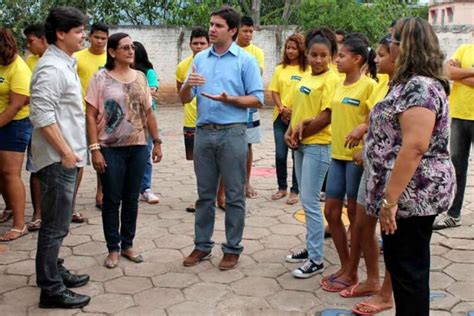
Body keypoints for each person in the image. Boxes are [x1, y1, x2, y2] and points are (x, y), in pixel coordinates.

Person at [364, 17, 455, 316]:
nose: (387, 45)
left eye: (392, 39)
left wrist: (390, 202)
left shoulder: (420, 87)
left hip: (412, 196)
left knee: (408, 273)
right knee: (406, 270)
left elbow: (415, 147)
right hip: (406, 193)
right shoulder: (409, 84)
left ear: (408, 46)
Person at [180, 6, 263, 270]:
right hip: (203, 133)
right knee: (204, 195)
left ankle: (232, 248)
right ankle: (202, 246)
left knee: (235, 195)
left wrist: (232, 100)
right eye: (211, 24)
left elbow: (258, 99)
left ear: (233, 30)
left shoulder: (245, 61)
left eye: (218, 26)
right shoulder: (200, 59)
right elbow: (185, 99)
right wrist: (186, 85)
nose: (212, 29)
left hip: (233, 132)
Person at [29, 6, 91, 309]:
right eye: (78, 31)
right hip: (56, 160)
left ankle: (54, 269)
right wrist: (66, 152)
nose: (84, 36)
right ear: (60, 34)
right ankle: (50, 288)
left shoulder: (65, 62)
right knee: (54, 225)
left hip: (66, 157)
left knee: (60, 222)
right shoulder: (51, 68)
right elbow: (41, 114)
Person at [86, 33, 162, 269]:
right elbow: (90, 115)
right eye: (125, 48)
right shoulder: (100, 78)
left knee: (131, 199)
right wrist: (94, 148)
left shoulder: (140, 77)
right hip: (109, 148)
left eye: (132, 48)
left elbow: (149, 112)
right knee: (112, 199)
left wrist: (157, 141)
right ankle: (113, 248)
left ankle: (127, 244)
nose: (131, 51)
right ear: (112, 52)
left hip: (138, 146)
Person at [321, 34, 377, 291]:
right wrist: (303, 125)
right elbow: (328, 114)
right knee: (331, 211)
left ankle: (353, 272)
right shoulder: (337, 85)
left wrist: (362, 128)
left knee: (355, 215)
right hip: (336, 156)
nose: (337, 60)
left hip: (356, 161)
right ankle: (345, 265)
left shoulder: (369, 86)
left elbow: (378, 118)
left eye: (342, 56)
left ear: (357, 59)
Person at [283, 28, 339, 278]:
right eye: (314, 55)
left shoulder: (332, 80)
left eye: (323, 55)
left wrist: (299, 134)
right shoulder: (305, 76)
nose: (318, 60)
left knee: (310, 201)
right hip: (300, 144)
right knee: (308, 201)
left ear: (331, 56)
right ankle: (311, 248)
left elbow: (327, 116)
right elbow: (298, 110)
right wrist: (289, 132)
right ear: (307, 54)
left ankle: (316, 259)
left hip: (318, 145)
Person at [433, 41, 474, 229]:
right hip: (459, 116)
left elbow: (454, 74)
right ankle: (453, 214)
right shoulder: (464, 49)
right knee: (457, 166)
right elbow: (447, 72)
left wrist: (460, 74)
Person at [0, 28, 33, 241]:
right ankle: (11, 208)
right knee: (0, 173)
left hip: (15, 125)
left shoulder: (19, 69)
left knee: (10, 173)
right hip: (3, 123)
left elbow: (15, 106)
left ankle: (20, 225)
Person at [74, 22, 109, 220]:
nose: (100, 41)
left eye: (103, 38)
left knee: (102, 157)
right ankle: (70, 201)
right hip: (79, 114)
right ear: (89, 37)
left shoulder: (110, 58)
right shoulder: (77, 58)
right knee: (78, 158)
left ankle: (101, 194)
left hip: (103, 116)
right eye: (96, 37)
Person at [269, 33, 309, 205]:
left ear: (301, 50)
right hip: (280, 117)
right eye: (288, 48)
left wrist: (295, 112)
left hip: (298, 118)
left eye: (294, 48)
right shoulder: (280, 69)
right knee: (280, 154)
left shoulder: (307, 70)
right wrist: (282, 108)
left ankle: (295, 190)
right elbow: (274, 91)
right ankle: (282, 187)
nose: (290, 51)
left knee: (296, 153)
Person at [175, 27, 210, 213]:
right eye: (195, 43)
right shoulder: (183, 66)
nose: (198, 46)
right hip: (190, 121)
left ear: (208, 44)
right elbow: (181, 93)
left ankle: (219, 196)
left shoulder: (214, 64)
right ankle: (202, 196)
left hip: (212, 120)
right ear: (190, 45)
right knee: (199, 163)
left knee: (216, 161)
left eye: (202, 43)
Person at [23, 23, 49, 232]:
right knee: (36, 167)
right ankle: (38, 213)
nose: (28, 46)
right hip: (37, 122)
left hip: (61, 122)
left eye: (31, 41)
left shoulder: (65, 60)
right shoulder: (29, 63)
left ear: (43, 39)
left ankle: (67, 210)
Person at [236, 15, 264, 199]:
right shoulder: (229, 49)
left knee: (247, 145)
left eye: (250, 31)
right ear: (236, 30)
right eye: (245, 31)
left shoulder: (256, 52)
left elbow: (255, 77)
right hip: (229, 103)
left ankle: (246, 182)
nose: (248, 34)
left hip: (249, 105)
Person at [133, 41, 161, 204]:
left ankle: (145, 188)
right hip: (127, 119)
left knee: (145, 153)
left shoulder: (148, 72)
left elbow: (152, 91)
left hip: (145, 118)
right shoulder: (121, 71)